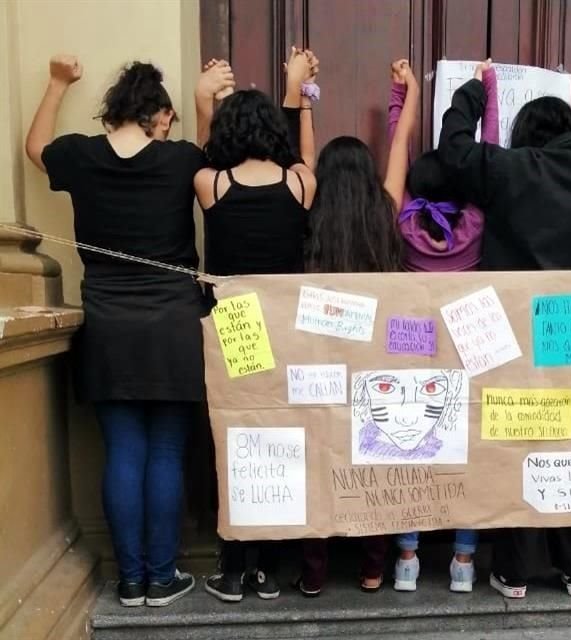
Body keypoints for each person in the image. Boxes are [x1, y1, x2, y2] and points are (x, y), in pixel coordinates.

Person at [437, 63, 571, 598]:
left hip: (523, 338)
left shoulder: (511, 170)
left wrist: (472, 88)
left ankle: (515, 572)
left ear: (525, 136)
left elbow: (455, 149)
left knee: (522, 439)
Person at [24, 55, 234, 607]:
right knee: (165, 452)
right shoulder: (179, 160)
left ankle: (130, 580)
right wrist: (203, 99)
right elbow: (212, 165)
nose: (171, 130)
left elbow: (33, 148)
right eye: (169, 119)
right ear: (155, 114)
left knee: (122, 451)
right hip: (172, 326)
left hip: (108, 327)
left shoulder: (80, 155)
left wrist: (56, 83)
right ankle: (162, 579)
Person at [198, 49, 318, 603]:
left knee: (235, 438)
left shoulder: (211, 184)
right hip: (285, 325)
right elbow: (302, 156)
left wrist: (210, 103)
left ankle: (230, 566)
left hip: (234, 324)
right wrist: (298, 97)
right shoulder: (300, 184)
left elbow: (203, 154)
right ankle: (267, 567)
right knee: (278, 441)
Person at [297, 58, 418, 595]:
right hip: (377, 362)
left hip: (321, 363)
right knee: (376, 462)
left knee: (321, 459)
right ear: (367, 177)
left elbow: (301, 159)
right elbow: (400, 150)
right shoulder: (385, 208)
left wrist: (301, 98)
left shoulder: (312, 212)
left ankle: (315, 573)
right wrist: (406, 94)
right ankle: (373, 568)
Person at [389, 60, 498, 593]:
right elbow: (491, 149)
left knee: (410, 453)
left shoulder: (404, 222)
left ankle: (407, 559)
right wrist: (489, 88)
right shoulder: (475, 221)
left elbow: (396, 149)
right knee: (466, 457)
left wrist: (399, 95)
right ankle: (463, 562)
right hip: (469, 354)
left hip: (411, 356)